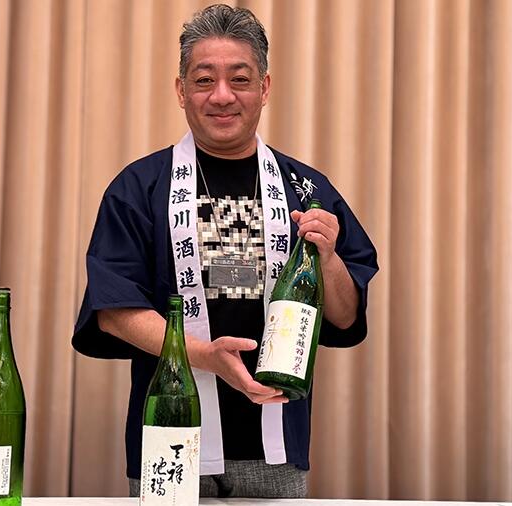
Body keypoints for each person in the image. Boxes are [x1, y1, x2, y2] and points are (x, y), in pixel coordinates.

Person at [72, 3, 378, 499]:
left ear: (265, 88)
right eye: (203, 80)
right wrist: (205, 356)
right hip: (171, 434)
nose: (221, 96)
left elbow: (345, 316)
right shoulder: (139, 188)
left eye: (239, 79)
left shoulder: (307, 191)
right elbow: (113, 311)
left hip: (276, 441)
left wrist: (329, 259)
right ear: (180, 90)